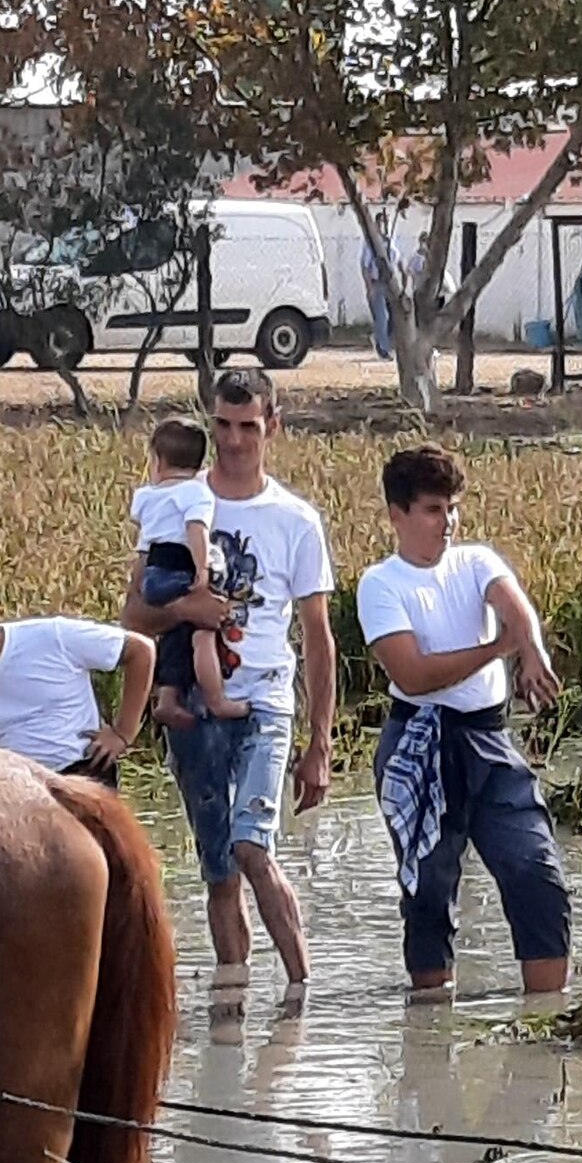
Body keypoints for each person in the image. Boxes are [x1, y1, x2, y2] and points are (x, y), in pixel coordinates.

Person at [125, 362, 335, 993]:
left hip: (265, 698)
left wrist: (319, 743)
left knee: (253, 846)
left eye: (248, 426)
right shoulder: (177, 502)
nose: (235, 440)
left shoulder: (296, 519)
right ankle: (232, 1003)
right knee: (217, 868)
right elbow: (133, 614)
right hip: (192, 700)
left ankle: (302, 992)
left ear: (273, 424)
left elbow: (318, 636)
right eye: (222, 425)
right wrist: (189, 609)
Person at [350, 445, 571, 997]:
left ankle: (545, 1017)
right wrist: (499, 648)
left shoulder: (474, 560)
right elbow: (415, 673)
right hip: (420, 740)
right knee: (428, 891)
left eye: (452, 509)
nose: (446, 522)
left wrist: (531, 650)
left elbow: (514, 605)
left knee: (535, 872)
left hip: (487, 736)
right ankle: (430, 1031)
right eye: (431, 509)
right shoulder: (381, 584)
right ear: (398, 514)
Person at [0, 591, 150, 780]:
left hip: (84, 777)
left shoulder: (53, 637)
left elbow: (140, 650)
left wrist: (122, 733)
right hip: (17, 798)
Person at [127, 414, 235, 735]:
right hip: (179, 565)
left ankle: (167, 697)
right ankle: (215, 697)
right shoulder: (197, 493)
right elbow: (196, 530)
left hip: (154, 572)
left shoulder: (146, 496)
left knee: (174, 635)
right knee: (203, 627)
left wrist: (143, 581)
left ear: (158, 462)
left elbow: (145, 544)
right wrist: (203, 571)